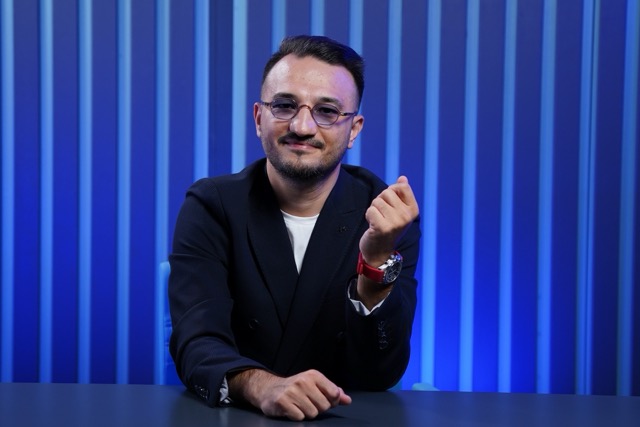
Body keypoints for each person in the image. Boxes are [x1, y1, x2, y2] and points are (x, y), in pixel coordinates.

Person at [168, 35, 421, 421]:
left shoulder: (386, 215)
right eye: (285, 106)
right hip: (241, 416)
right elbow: (196, 342)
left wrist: (375, 263)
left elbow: (379, 373)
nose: (302, 126)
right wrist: (262, 386)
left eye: (327, 111)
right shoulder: (211, 205)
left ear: (353, 129)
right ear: (259, 118)